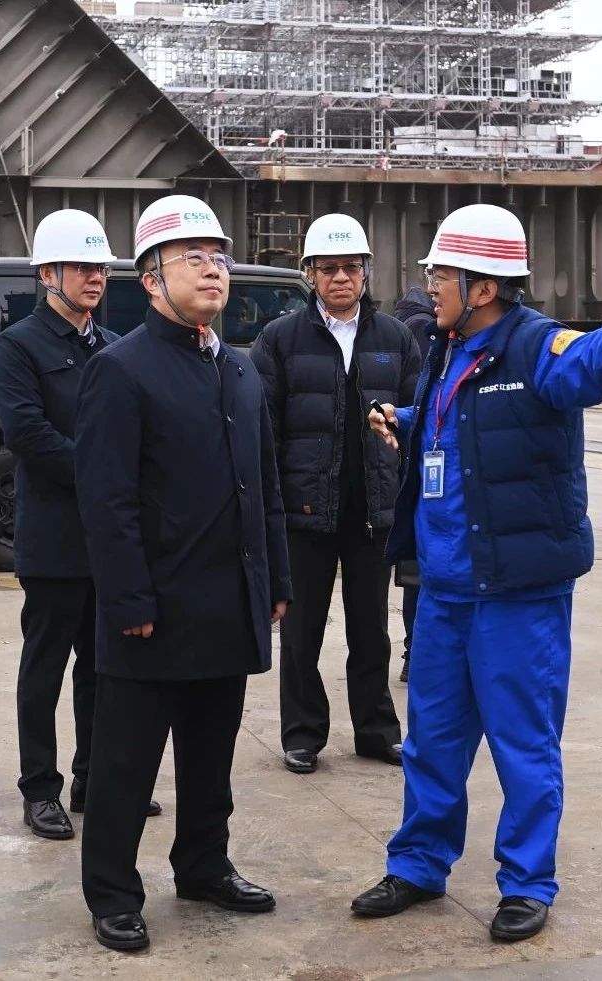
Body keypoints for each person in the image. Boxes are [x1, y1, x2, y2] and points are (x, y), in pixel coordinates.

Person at [353, 204, 602, 942]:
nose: (430, 286)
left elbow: (582, 363)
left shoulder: (533, 346)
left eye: (442, 275)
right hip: (445, 589)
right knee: (432, 739)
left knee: (523, 744)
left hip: (517, 594)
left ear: (483, 287)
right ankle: (419, 863)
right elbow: (454, 423)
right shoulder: (447, 348)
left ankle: (526, 881)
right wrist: (405, 418)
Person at [75, 195, 291, 952]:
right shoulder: (120, 370)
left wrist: (275, 580)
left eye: (219, 257)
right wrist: (128, 597)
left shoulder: (239, 370)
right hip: (153, 609)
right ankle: (112, 891)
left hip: (225, 602)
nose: (212, 270)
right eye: (192, 258)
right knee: (126, 763)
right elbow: (106, 500)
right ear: (151, 278)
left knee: (210, 755)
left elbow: (263, 484)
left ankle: (203, 865)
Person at [0, 209, 160, 841]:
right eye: (83, 267)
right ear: (47, 274)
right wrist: (103, 476)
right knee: (45, 668)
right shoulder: (19, 347)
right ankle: (40, 789)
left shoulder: (113, 346)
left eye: (101, 268)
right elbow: (28, 435)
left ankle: (95, 780)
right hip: (55, 540)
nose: (95, 278)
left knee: (103, 667)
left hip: (109, 542)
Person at [251, 214, 421, 775]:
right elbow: (264, 430)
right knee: (301, 633)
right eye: (328, 268)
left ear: (367, 271)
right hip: (305, 512)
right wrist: (274, 504)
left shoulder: (395, 338)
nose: (341, 278)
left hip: (373, 509)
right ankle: (303, 734)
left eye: (351, 267)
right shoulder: (279, 339)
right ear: (309, 273)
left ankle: (376, 730)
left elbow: (420, 420)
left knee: (371, 630)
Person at [390, 285, 435, 684]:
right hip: (422, 460)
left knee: (414, 572)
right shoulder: (424, 327)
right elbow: (423, 395)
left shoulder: (401, 322)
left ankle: (414, 651)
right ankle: (416, 652)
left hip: (407, 460)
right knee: (420, 572)